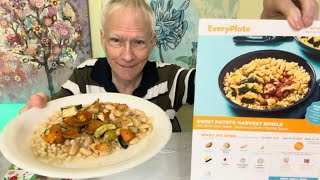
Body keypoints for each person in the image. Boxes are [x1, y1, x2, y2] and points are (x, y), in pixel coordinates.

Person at [20, 0, 319, 132]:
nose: (126, 55)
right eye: (115, 40)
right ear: (102, 39)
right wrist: (38, 108)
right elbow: (54, 109)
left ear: (152, 42)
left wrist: (267, 25)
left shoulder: (170, 77)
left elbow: (233, 80)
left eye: (138, 42)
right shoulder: (84, 77)